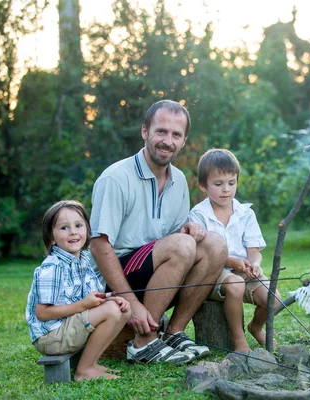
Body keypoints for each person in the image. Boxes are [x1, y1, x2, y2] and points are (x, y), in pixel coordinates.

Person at [89, 100, 227, 365]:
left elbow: (173, 237)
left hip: (156, 274)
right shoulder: (116, 178)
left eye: (176, 135)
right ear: (144, 132)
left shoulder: (178, 184)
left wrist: (186, 229)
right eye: (161, 131)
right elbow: (98, 246)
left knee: (215, 245)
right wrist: (132, 304)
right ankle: (143, 342)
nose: (168, 141)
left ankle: (174, 332)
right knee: (183, 245)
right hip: (112, 280)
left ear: (184, 140)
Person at [26, 200, 131, 381]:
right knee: (112, 310)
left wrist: (106, 300)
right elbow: (42, 313)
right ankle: (84, 371)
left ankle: (93, 362)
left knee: (123, 308)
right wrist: (85, 304)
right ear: (52, 237)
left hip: (69, 326)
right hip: (51, 336)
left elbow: (89, 300)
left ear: (87, 231)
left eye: (78, 225)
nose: (73, 231)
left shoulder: (84, 261)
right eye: (64, 228)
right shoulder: (53, 267)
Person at [189, 148, 280, 353]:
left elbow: (254, 251)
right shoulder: (199, 215)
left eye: (232, 183)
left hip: (243, 271)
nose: (226, 190)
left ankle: (255, 327)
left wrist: (255, 264)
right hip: (214, 274)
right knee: (236, 284)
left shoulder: (245, 213)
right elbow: (201, 255)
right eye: (218, 184)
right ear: (203, 185)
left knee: (273, 298)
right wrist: (230, 262)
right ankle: (239, 340)